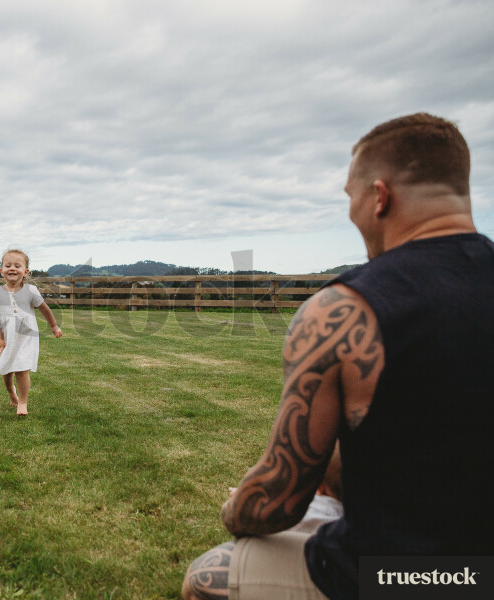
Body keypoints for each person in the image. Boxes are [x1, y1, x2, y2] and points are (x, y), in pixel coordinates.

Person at [183, 113, 494, 600]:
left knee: (208, 576)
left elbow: (276, 504)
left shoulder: (342, 311)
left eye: (350, 197)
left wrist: (238, 508)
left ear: (378, 196)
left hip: (410, 578)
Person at [0, 249, 62, 415]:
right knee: (6, 372)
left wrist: (54, 326)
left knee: (22, 369)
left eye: (17, 265)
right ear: (1, 271)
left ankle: (23, 402)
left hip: (26, 338)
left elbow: (45, 309)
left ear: (25, 271)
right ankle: (10, 392)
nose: (12, 268)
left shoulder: (31, 291)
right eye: (8, 265)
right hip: (6, 339)